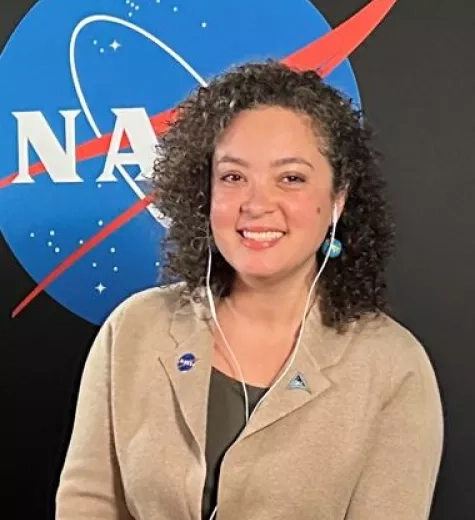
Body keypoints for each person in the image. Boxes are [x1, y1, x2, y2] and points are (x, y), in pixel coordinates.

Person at [56, 61, 444, 520]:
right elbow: (89, 502)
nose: (257, 204)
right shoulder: (133, 329)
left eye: (291, 178)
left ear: (338, 198)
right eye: (234, 177)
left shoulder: (393, 367)